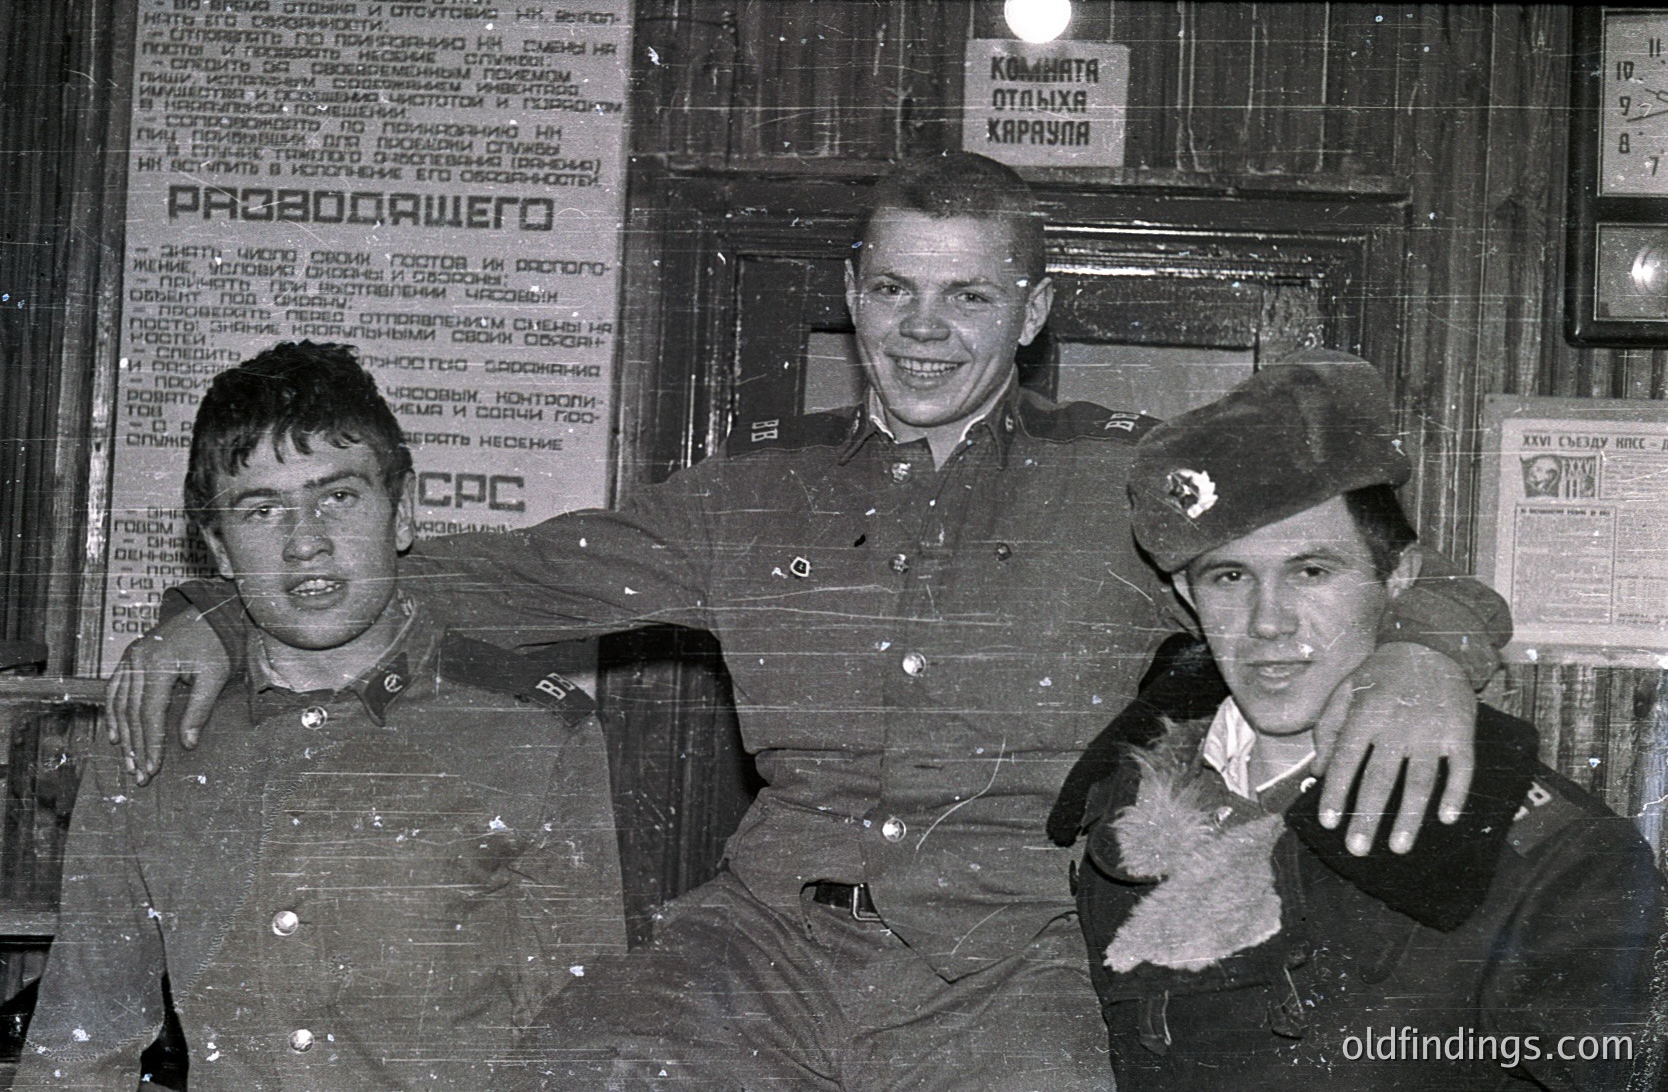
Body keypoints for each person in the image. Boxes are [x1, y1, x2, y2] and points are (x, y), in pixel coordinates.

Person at [111, 156, 1510, 1089]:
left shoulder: (1128, 485)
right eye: (895, 288)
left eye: (968, 294)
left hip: (1010, 974)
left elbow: (1347, 560)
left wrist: (1431, 647)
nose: (924, 327)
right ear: (852, 295)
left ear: (1030, 309)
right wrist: (216, 610)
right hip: (762, 950)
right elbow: (470, 575)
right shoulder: (745, 499)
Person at [16, 343, 626, 1090]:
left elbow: (581, 1047)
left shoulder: (530, 731)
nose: (305, 542)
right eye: (262, 509)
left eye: (338, 497)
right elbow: (84, 1040)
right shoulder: (155, 738)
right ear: (218, 547)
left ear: (401, 512)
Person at [1071, 351, 1665, 1091]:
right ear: (1188, 599)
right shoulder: (1118, 810)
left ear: (1400, 579)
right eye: (1230, 577)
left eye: (1312, 572)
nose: (1268, 623)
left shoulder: (1554, 855)